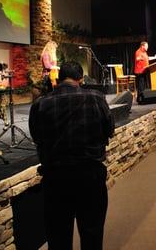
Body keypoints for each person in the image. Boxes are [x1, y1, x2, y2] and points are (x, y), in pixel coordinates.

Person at [29, 61, 114, 250]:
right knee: (92, 234)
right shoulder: (96, 97)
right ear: (81, 79)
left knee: (58, 238)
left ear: (58, 80)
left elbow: (37, 137)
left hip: (55, 178)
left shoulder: (40, 104)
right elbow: (109, 130)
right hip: (90, 175)